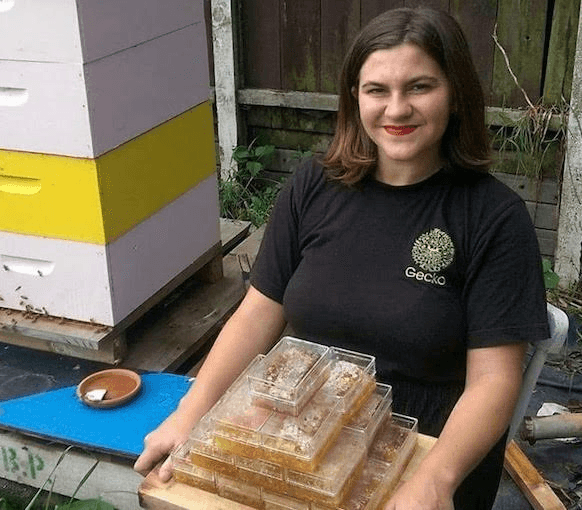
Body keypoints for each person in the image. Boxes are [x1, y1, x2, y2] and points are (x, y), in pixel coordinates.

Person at [135, 7, 549, 510]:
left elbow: (494, 379)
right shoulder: (314, 185)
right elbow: (256, 313)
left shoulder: (494, 217)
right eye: (377, 90)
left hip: (425, 447)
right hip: (301, 428)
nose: (396, 110)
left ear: (455, 92)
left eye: (419, 87)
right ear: (355, 97)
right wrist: (190, 412)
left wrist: (436, 480)